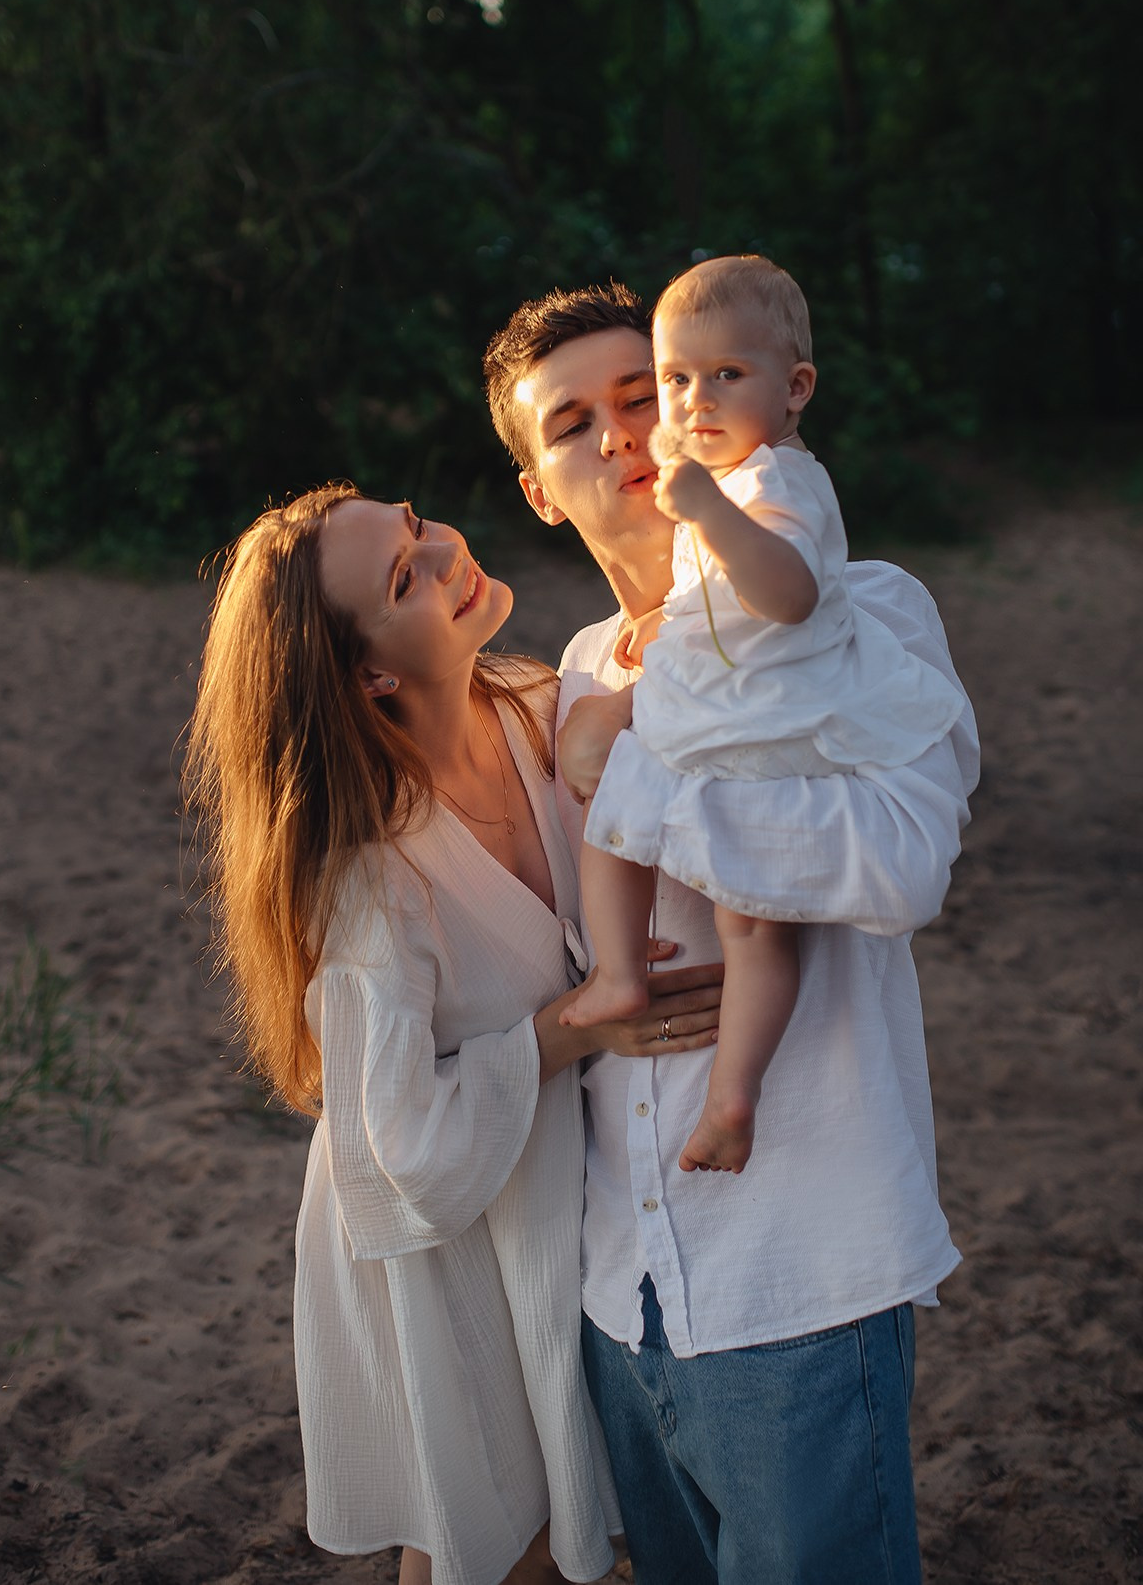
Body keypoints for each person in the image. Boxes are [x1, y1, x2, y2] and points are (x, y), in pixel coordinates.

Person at [484, 282, 980, 1585]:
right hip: (618, 1290)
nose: (622, 433)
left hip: (797, 1270)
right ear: (540, 493)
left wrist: (633, 764)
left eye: (639, 395)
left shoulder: (862, 612)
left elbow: (899, 864)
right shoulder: (568, 672)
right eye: (573, 423)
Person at [183, 484, 724, 1585]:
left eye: (416, 525)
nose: (443, 553)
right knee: (492, 1544)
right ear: (369, 674)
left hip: (543, 1204)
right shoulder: (370, 877)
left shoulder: (533, 706)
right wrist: (578, 1023)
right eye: (403, 578)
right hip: (438, 1242)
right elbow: (400, 1154)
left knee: (534, 1531)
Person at [561, 257, 963, 1176]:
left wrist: (707, 511)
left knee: (667, 853)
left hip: (759, 729)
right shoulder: (581, 657)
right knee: (708, 898)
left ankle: (687, 1043)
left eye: (724, 375)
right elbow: (710, 614)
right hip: (732, 723)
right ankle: (680, 1039)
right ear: (538, 492)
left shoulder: (782, 495)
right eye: (674, 381)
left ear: (796, 389)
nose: (689, 404)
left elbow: (788, 594)